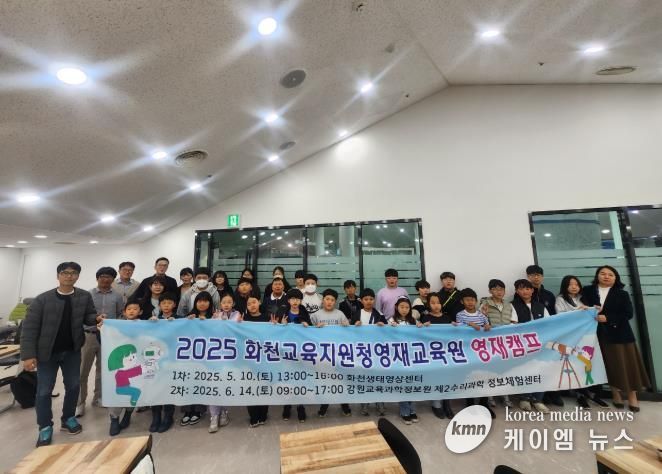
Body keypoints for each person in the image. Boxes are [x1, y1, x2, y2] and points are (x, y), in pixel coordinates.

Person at [20, 262, 101, 447]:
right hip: (46, 353)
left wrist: (96, 318)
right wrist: (28, 355)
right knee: (44, 391)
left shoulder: (84, 296)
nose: (69, 276)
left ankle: (68, 418)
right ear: (58, 276)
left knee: (73, 386)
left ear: (78, 276)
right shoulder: (42, 299)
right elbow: (29, 328)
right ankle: (45, 426)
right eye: (65, 273)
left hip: (72, 351)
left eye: (74, 273)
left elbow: (89, 316)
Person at [581, 266, 650, 412]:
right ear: (597, 276)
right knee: (608, 366)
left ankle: (632, 396)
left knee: (627, 366)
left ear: (615, 278)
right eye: (603, 273)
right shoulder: (587, 291)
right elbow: (583, 308)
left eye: (610, 274)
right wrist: (588, 310)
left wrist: (608, 318)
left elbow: (628, 314)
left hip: (620, 335)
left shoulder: (622, 294)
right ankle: (615, 394)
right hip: (596, 335)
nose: (606, 276)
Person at [555, 275, 609, 409]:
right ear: (565, 286)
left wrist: (594, 309)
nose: (574, 287)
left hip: (587, 337)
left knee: (589, 364)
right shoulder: (560, 299)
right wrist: (577, 311)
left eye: (576, 284)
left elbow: (593, 312)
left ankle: (592, 393)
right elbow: (559, 316)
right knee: (576, 364)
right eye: (570, 284)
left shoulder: (583, 298)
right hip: (571, 337)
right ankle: (580, 395)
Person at [76, 266, 124, 418]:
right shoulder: (88, 294)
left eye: (109, 276)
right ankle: (79, 403)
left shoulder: (117, 296)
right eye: (102, 276)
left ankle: (99, 398)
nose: (105, 279)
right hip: (89, 335)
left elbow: (121, 314)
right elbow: (80, 314)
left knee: (103, 370)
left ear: (113, 279)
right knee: (82, 370)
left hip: (108, 337)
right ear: (97, 278)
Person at [510, 279, 550, 413]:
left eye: (527, 288)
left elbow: (549, 324)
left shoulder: (540, 306)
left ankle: (538, 399)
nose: (525, 291)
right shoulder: (512, 306)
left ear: (532, 290)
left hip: (540, 343)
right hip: (522, 344)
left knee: (541, 369)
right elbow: (513, 325)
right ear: (517, 291)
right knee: (524, 370)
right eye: (521, 289)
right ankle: (524, 398)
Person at [455, 288, 495, 418]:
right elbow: (458, 328)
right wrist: (469, 324)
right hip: (468, 351)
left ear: (476, 301)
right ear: (462, 301)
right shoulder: (460, 315)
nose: (470, 302)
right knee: (469, 377)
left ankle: (484, 403)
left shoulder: (481, 315)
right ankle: (470, 403)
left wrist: (487, 326)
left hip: (482, 352)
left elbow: (487, 326)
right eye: (467, 300)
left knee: (484, 376)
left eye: (472, 299)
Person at [106, 299, 143, 436]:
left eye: (135, 309)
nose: (132, 311)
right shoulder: (116, 325)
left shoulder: (144, 325)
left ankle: (128, 414)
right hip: (120, 364)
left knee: (135, 389)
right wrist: (102, 329)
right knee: (115, 391)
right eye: (129, 309)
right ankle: (114, 419)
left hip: (136, 362)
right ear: (124, 312)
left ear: (141, 312)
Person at [313, 289, 351, 418]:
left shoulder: (340, 314)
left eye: (332, 300)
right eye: (327, 299)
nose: (329, 302)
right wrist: (315, 328)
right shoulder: (316, 315)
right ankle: (324, 405)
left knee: (341, 380)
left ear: (335, 302)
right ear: (323, 300)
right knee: (326, 381)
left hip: (338, 353)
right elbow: (307, 333)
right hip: (323, 354)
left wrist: (346, 325)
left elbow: (348, 332)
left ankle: (344, 405)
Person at [180, 292, 213, 426]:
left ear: (210, 303)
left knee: (201, 382)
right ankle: (187, 411)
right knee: (188, 381)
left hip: (206, 356)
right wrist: (187, 322)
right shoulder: (189, 317)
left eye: (205, 301)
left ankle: (199, 410)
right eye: (199, 301)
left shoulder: (214, 317)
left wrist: (210, 323)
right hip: (190, 355)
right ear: (195, 303)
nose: (202, 303)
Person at [352, 288, 387, 416]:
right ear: (361, 301)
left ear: (374, 300)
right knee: (364, 378)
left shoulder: (379, 314)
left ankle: (379, 402)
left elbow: (387, 330)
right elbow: (349, 331)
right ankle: (365, 403)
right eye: (366, 299)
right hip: (362, 351)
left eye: (371, 299)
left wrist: (383, 325)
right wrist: (354, 325)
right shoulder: (357, 313)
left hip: (376, 351)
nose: (368, 301)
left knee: (378, 377)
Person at [479, 279, 513, 408]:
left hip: (505, 342)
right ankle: (490, 396)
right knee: (490, 369)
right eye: (495, 289)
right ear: (490, 290)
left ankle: (505, 396)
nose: (499, 292)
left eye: (501, 289)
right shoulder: (484, 304)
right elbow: (480, 320)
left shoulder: (508, 305)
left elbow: (513, 321)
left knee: (504, 369)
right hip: (490, 342)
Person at [277, 289, 311, 422]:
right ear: (288, 301)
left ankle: (300, 406)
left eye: (297, 299)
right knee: (288, 379)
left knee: (300, 380)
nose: (295, 301)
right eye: (292, 299)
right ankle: (287, 405)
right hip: (286, 353)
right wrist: (282, 325)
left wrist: (307, 325)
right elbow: (275, 330)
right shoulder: (283, 312)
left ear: (301, 301)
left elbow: (310, 332)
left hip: (301, 353)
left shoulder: (304, 313)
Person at [422, 293, 455, 419]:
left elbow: (454, 333)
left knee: (448, 378)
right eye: (433, 303)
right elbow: (420, 335)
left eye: (438, 302)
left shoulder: (447, 318)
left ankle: (447, 404)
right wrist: (422, 327)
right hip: (432, 354)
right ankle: (436, 404)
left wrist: (456, 327)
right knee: (436, 378)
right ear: (428, 304)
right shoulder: (425, 318)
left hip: (447, 354)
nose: (436, 305)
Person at [148, 293, 177, 432]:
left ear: (174, 305)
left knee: (168, 387)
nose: (166, 306)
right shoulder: (154, 320)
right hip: (156, 360)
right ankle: (156, 416)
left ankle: (168, 416)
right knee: (155, 387)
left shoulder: (179, 319)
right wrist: (149, 324)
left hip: (172, 360)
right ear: (159, 305)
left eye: (169, 303)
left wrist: (182, 322)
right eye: (163, 303)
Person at [389, 296, 420, 424]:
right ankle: (404, 411)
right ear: (396, 307)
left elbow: (420, 333)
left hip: (411, 357)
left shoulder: (413, 321)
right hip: (398, 357)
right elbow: (386, 335)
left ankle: (412, 409)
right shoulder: (391, 320)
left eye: (407, 307)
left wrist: (422, 326)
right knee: (402, 384)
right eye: (402, 307)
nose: (404, 309)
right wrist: (389, 327)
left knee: (411, 383)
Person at [243, 295, 272, 427]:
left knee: (264, 386)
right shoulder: (243, 319)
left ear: (259, 302)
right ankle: (253, 416)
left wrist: (275, 326)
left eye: (254, 302)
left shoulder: (267, 318)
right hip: (249, 360)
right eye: (249, 304)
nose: (252, 306)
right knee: (250, 388)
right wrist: (237, 324)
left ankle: (263, 414)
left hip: (264, 359)